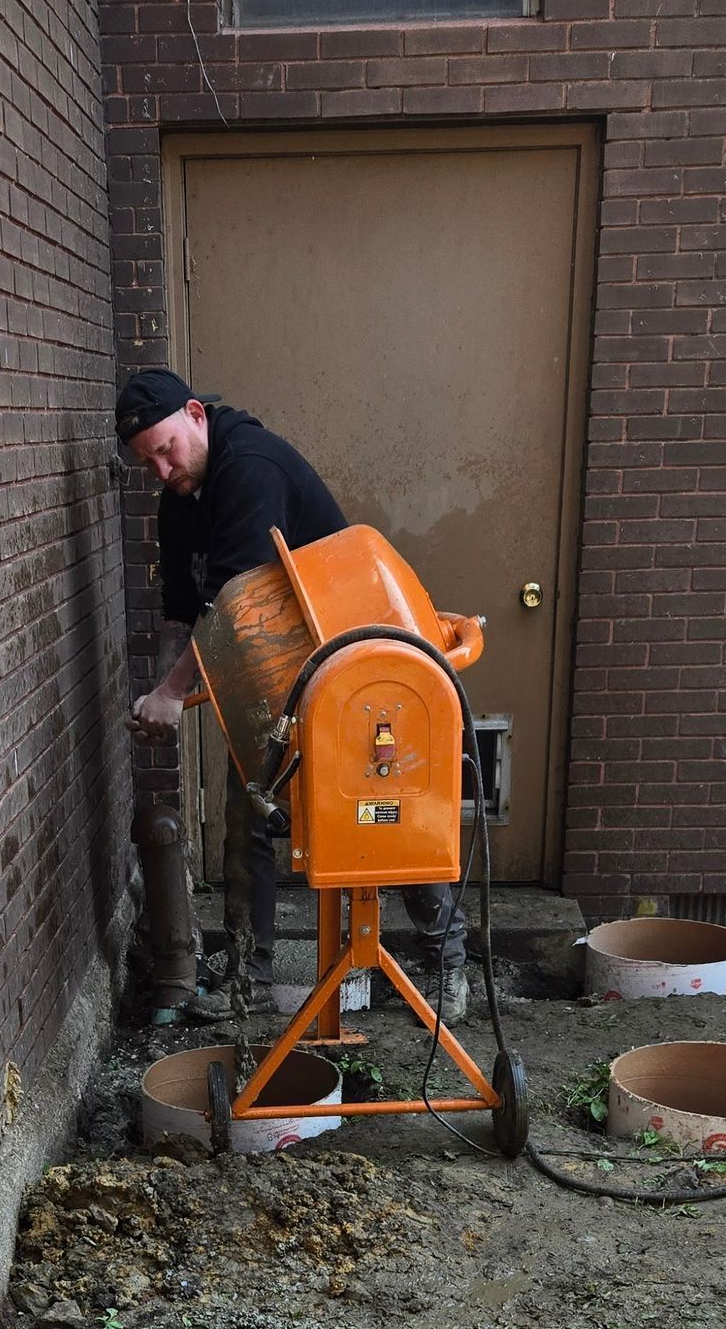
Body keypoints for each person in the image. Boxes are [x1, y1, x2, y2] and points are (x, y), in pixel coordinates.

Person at [117, 367, 468, 1024]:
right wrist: (159, 691)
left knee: (385, 813)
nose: (162, 470)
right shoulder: (179, 503)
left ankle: (446, 968)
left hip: (349, 665)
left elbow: (229, 607)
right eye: (148, 463)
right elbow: (180, 609)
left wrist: (171, 691)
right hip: (277, 674)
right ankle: (247, 983)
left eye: (166, 449)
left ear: (195, 414)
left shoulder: (248, 466)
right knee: (250, 812)